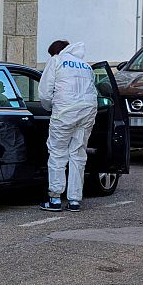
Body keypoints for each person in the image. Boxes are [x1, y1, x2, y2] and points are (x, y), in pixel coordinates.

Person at [38, 40, 98, 212]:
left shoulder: (56, 61)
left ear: (55, 52)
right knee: (78, 154)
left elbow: (45, 92)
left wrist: (50, 108)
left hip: (64, 112)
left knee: (57, 153)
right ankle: (74, 200)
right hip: (87, 112)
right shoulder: (85, 66)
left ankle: (55, 198)